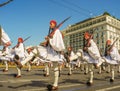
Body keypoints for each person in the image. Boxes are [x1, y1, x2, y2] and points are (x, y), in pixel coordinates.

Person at [45, 20, 65, 90]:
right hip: (51, 51)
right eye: (50, 24)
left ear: (55, 24)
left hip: (55, 52)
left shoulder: (57, 32)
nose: (50, 25)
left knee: (55, 68)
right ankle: (55, 84)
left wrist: (49, 39)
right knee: (54, 68)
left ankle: (55, 84)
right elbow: (51, 41)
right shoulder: (53, 32)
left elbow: (56, 42)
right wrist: (47, 40)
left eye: (51, 24)